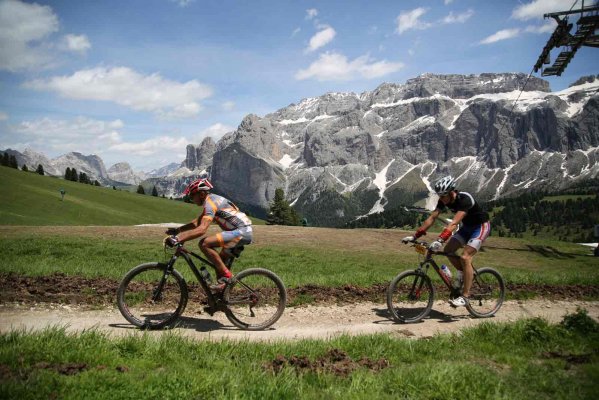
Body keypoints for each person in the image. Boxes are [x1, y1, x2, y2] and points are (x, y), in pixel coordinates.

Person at [402, 176, 490, 307]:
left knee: (465, 257)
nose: (441, 199)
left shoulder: (464, 199)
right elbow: (432, 218)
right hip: (467, 228)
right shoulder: (443, 200)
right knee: (448, 251)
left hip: (480, 227)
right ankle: (462, 273)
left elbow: (454, 223)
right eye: (439, 196)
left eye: (443, 196)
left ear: (451, 192)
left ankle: (465, 297)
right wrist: (415, 236)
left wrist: (440, 240)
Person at [164, 178, 253, 292]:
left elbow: (202, 229)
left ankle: (227, 278)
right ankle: (221, 298)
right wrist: (178, 230)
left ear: (201, 194)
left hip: (242, 231)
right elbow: (197, 222)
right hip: (243, 231)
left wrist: (178, 239)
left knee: (204, 243)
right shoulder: (212, 200)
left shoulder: (210, 203)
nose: (191, 199)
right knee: (219, 265)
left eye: (192, 196)